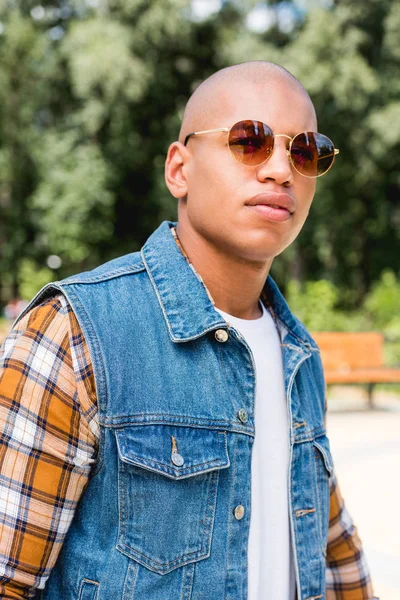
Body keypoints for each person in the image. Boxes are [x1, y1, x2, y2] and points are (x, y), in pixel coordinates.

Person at [0, 61, 378, 600]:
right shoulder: (75, 333)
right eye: (250, 140)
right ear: (179, 169)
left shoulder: (300, 355)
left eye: (304, 151)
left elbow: (336, 554)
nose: (280, 170)